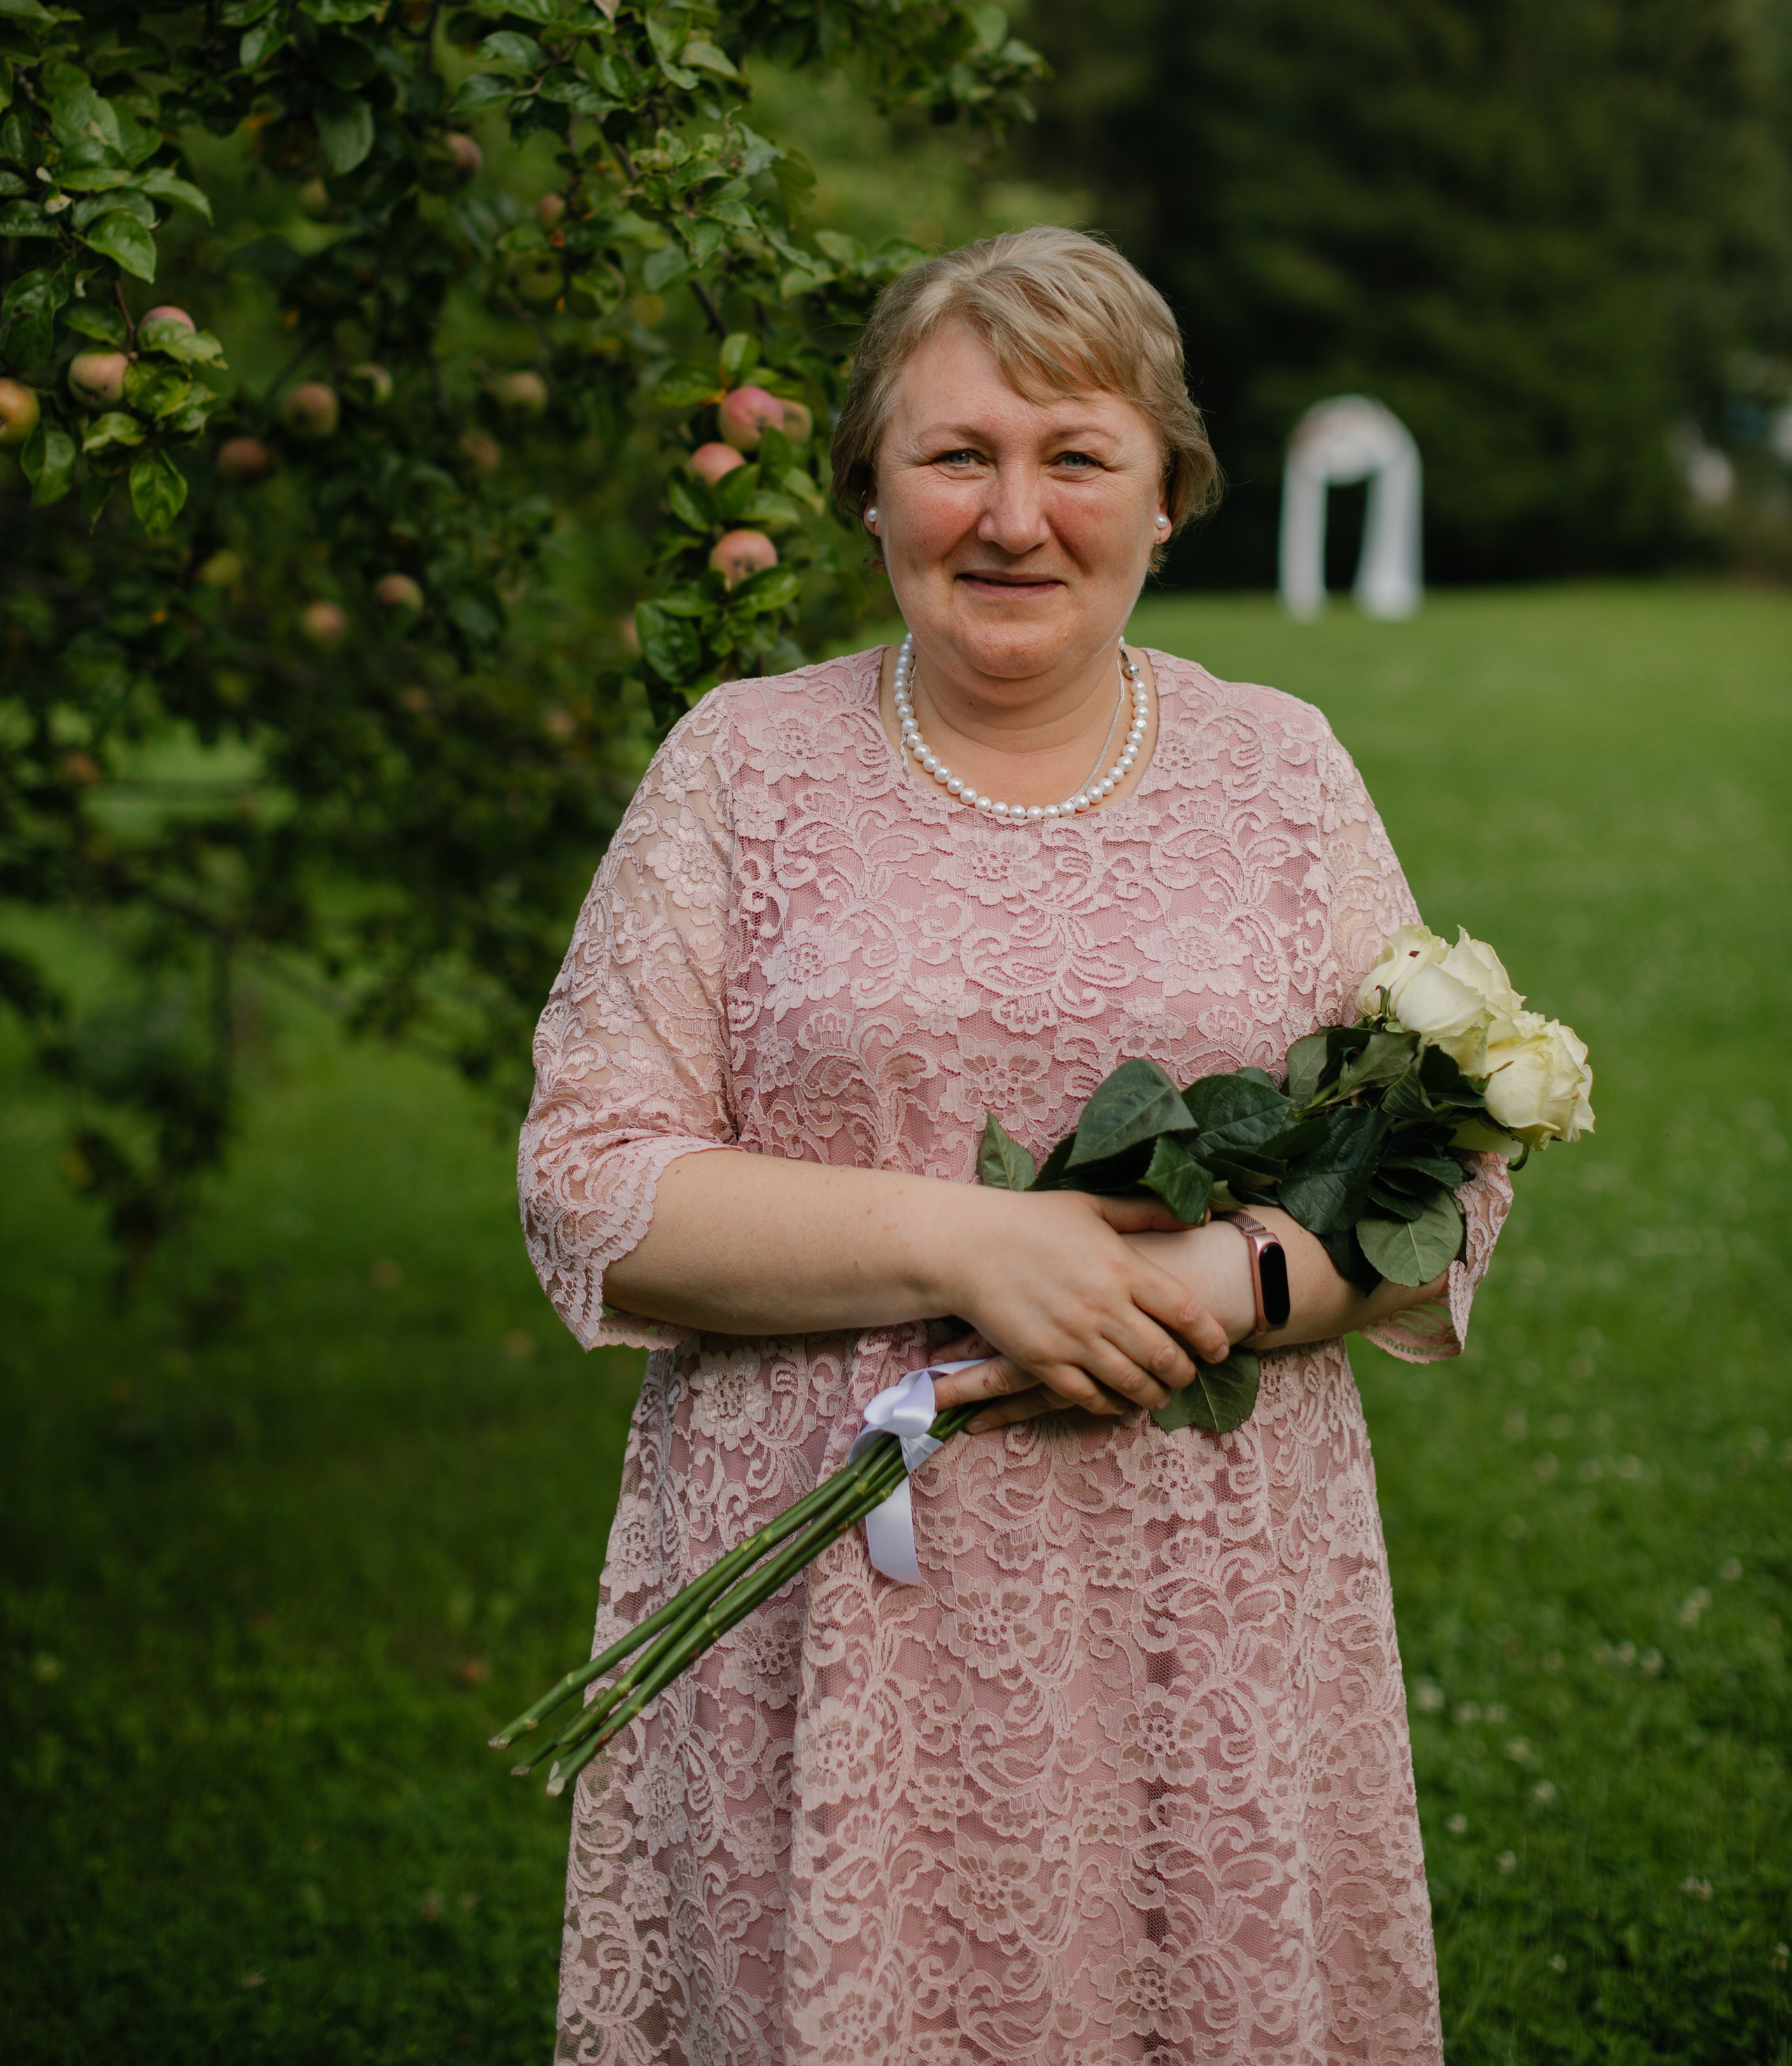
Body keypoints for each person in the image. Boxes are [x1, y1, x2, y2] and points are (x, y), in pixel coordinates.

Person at [519, 228, 1511, 2066]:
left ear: (1166, 499)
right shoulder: (740, 766)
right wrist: (973, 1249)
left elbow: (1442, 1164)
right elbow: (590, 1178)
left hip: (1194, 1611)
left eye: (1076, 458)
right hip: (823, 1622)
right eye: (956, 455)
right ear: (870, 492)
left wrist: (1227, 1277)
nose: (1013, 515)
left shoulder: (1281, 771)